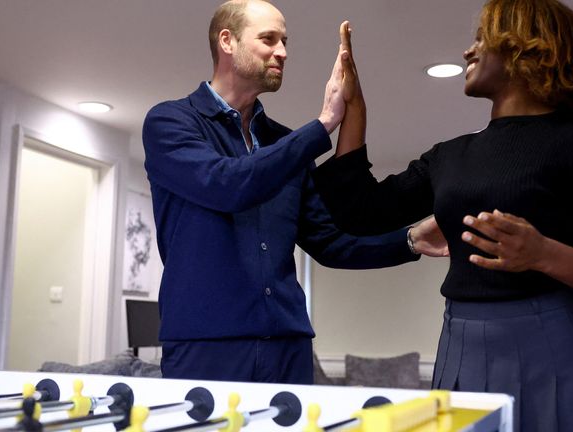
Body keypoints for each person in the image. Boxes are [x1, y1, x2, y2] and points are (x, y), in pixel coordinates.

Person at [312, 0, 573, 430]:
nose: (469, 50)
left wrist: (544, 254)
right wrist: (353, 107)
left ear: (525, 48)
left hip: (552, 344)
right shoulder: (451, 155)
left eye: (482, 38)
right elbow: (360, 214)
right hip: (460, 342)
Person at [142, 0, 442, 384]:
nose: (282, 52)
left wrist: (411, 241)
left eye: (285, 41)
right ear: (227, 41)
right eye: (268, 39)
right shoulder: (170, 122)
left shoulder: (284, 144)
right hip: (206, 346)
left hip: (289, 347)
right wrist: (324, 124)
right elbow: (227, 184)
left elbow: (329, 243)